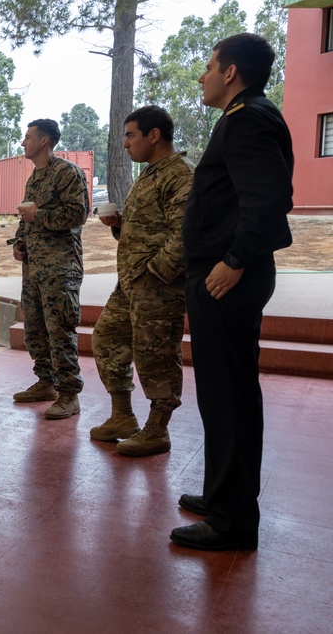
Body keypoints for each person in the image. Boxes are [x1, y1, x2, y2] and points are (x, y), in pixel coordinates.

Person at [171, 33, 293, 552]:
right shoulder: (243, 116)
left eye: (207, 66)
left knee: (230, 398)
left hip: (227, 278)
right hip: (222, 274)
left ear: (230, 72)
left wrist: (234, 262)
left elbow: (267, 201)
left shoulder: (248, 119)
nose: (201, 76)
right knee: (223, 395)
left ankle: (233, 520)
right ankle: (224, 494)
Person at [89, 106, 194, 456]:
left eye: (131, 135)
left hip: (158, 287)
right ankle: (122, 416)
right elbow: (148, 230)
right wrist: (118, 224)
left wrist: (156, 273)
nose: (125, 144)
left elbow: (186, 234)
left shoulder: (179, 175)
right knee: (106, 337)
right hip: (131, 285)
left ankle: (157, 430)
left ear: (154, 135)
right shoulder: (150, 174)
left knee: (157, 356)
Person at [10, 119, 89, 418]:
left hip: (60, 268)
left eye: (28, 137)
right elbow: (24, 215)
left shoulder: (68, 172)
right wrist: (20, 242)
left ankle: (69, 394)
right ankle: (46, 383)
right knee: (35, 329)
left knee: (60, 331)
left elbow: (77, 213)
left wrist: (37, 215)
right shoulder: (35, 177)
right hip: (34, 268)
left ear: (44, 141)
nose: (23, 142)